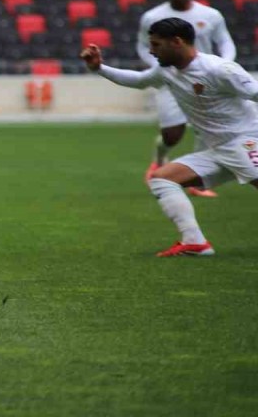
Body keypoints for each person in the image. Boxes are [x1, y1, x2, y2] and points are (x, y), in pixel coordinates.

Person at [82, 17, 258, 257]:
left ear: (176, 42)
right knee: (163, 178)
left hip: (246, 141)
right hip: (217, 149)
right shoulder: (167, 71)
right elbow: (139, 81)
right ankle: (195, 242)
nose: (151, 51)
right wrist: (99, 68)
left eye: (156, 45)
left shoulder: (219, 69)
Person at [137, 0, 235, 196]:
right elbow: (143, 46)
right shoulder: (152, 16)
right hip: (171, 78)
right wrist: (159, 65)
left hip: (204, 80)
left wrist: (222, 66)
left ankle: (196, 182)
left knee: (205, 129)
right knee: (172, 134)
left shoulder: (210, 15)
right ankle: (159, 159)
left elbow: (225, 42)